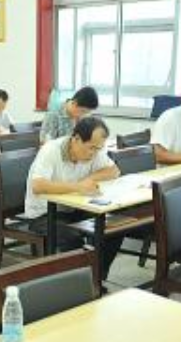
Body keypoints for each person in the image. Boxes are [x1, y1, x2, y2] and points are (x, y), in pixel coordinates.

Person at [24, 116, 123, 279]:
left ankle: (96, 278)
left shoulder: (95, 151)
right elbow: (38, 185)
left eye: (98, 149)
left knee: (113, 228)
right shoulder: (51, 150)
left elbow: (114, 171)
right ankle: (80, 283)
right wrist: (78, 186)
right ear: (76, 139)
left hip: (74, 209)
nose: (94, 153)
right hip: (44, 214)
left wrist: (89, 179)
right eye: (91, 148)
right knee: (72, 238)